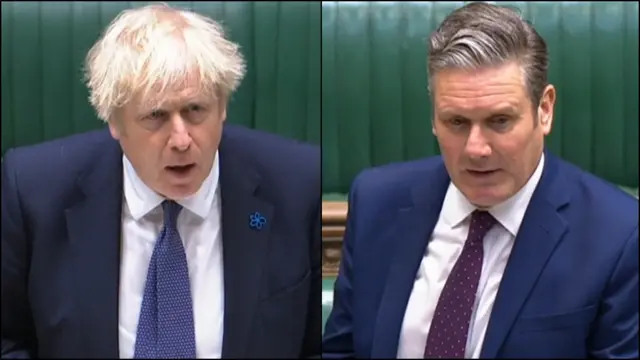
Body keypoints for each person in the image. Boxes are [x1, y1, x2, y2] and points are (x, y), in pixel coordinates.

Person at [1, 4, 321, 359]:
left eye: (195, 110)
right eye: (156, 116)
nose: (182, 139)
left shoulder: (297, 184)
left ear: (223, 107)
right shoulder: (34, 192)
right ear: (114, 121)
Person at [322, 2, 638, 359]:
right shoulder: (376, 202)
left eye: (499, 121)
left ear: (544, 110)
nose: (476, 149)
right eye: (456, 122)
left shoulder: (618, 236)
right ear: (434, 118)